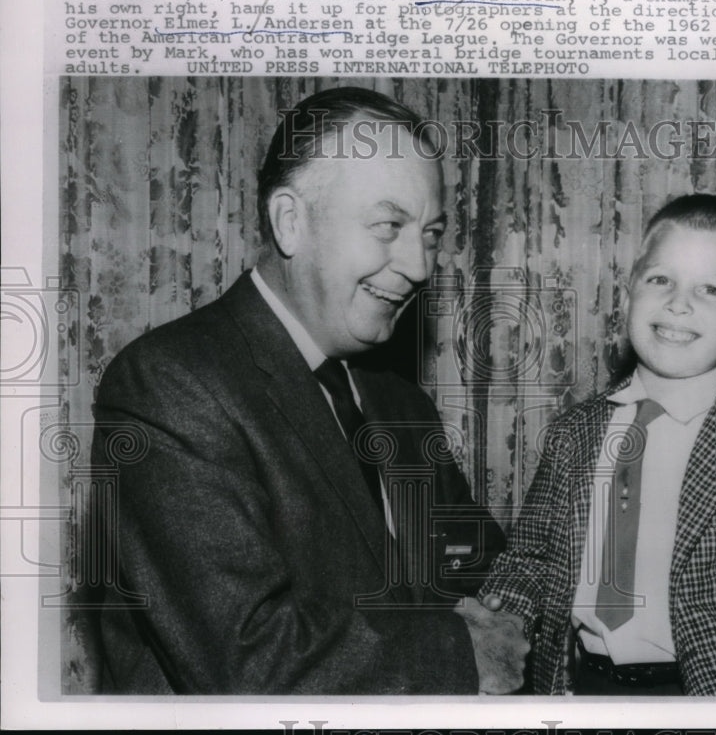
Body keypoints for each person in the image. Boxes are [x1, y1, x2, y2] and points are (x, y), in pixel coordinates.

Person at [92, 87, 525, 694]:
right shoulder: (169, 384)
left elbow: (481, 569)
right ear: (291, 222)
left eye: (430, 233)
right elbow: (246, 662)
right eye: (388, 225)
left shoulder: (402, 405)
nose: (421, 266)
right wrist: (461, 655)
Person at [479, 194, 716, 695]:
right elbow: (530, 559)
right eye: (660, 280)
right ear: (628, 297)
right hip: (577, 687)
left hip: (708, 701)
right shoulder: (573, 433)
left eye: (710, 289)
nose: (679, 302)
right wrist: (490, 629)